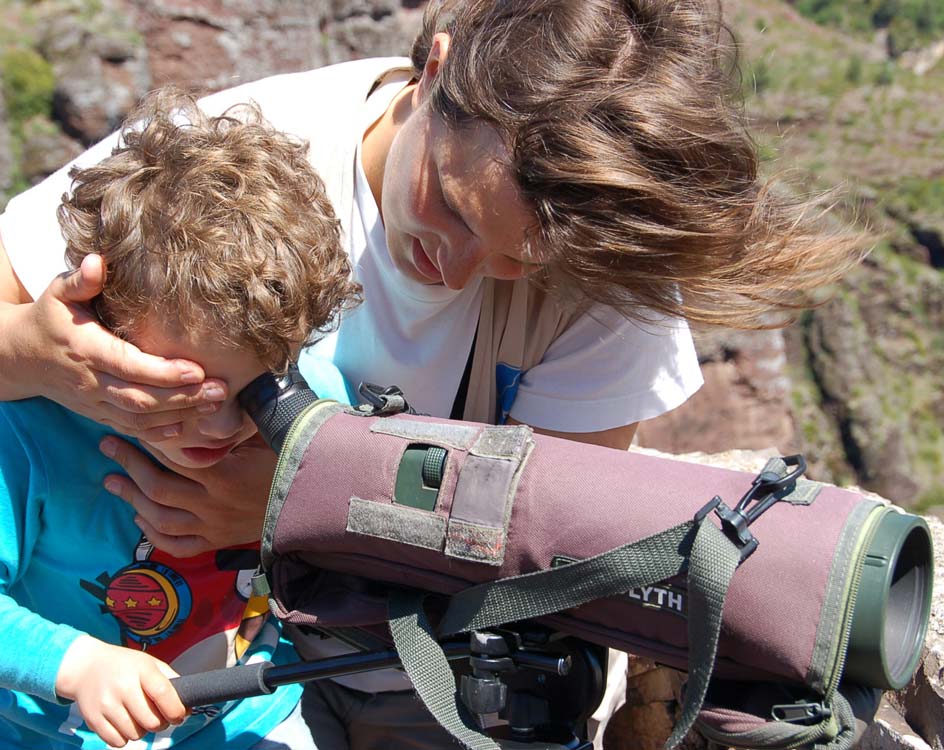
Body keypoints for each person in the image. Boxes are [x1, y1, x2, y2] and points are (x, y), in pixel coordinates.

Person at [0, 1, 868, 747]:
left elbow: (546, 554)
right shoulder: (220, 178)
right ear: (434, 67)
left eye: (517, 261)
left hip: (415, 666)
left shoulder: (604, 259)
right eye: (446, 203)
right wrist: (39, 355)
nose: (453, 269)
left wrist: (303, 504)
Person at [0, 90, 359, 749]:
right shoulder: (27, 434)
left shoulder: (321, 406)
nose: (220, 427)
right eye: (180, 390)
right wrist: (77, 666)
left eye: (256, 392)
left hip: (252, 720)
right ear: (100, 330)